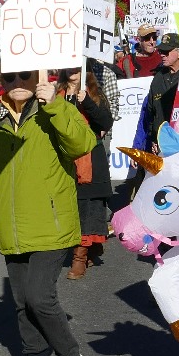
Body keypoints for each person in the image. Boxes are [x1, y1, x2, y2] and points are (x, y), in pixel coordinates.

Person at [0, 70, 95, 356]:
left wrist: (54, 105)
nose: (17, 83)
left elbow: (82, 144)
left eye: (24, 75)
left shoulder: (57, 108)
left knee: (40, 297)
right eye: (9, 77)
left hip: (51, 223)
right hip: (11, 226)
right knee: (22, 304)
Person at [58, 69, 113, 280]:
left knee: (88, 209)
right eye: (69, 67)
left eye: (76, 67)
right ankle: (93, 246)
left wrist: (87, 102)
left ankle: (79, 258)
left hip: (90, 160)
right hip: (65, 160)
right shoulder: (57, 94)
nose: (72, 71)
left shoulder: (93, 92)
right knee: (72, 210)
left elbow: (105, 122)